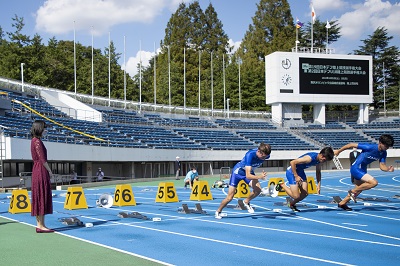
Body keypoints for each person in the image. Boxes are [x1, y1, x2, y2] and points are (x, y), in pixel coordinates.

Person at [334, 134, 394, 211]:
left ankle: (342, 203)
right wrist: (339, 151)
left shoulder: (383, 153)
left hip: (362, 169)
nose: (387, 148)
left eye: (388, 147)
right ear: (380, 143)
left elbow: (382, 165)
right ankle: (353, 191)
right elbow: (351, 145)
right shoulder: (370, 147)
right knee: (374, 183)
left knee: (360, 188)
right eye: (386, 146)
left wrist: (388, 169)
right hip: (356, 168)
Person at [215, 143, 271, 219]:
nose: (264, 158)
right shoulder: (250, 155)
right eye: (263, 156)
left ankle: (246, 201)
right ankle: (218, 211)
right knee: (230, 197)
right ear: (258, 151)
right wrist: (259, 177)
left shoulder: (266, 155)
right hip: (238, 172)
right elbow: (248, 176)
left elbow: (250, 172)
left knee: (258, 190)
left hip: (249, 171)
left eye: (265, 157)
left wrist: (258, 177)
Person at [276, 147, 334, 212]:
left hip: (300, 172)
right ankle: (282, 184)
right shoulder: (309, 158)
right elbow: (292, 162)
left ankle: (292, 204)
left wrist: (319, 185)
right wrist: (296, 176)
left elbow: (318, 172)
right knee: (296, 196)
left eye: (325, 160)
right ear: (321, 154)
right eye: (324, 159)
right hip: (292, 172)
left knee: (305, 194)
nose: (323, 161)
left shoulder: (319, 160)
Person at [30, 120, 54, 233]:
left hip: (37, 169)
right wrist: (50, 171)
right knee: (41, 195)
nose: (45, 130)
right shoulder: (37, 142)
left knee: (40, 195)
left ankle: (41, 224)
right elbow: (43, 160)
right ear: (40, 128)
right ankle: (40, 225)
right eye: (44, 128)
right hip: (40, 170)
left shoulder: (35, 141)